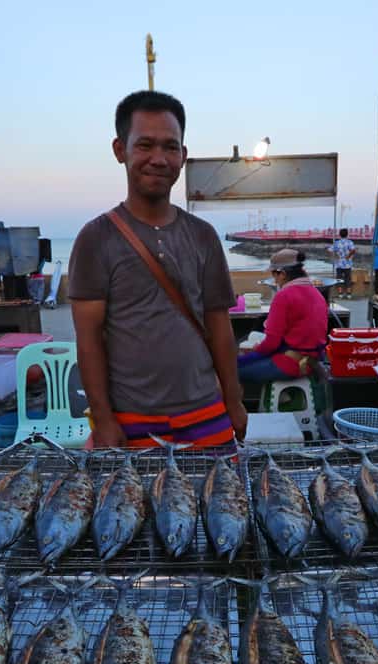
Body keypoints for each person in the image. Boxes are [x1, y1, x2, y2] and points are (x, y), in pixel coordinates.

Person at [70, 90, 246, 448]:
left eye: (170, 147)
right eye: (145, 145)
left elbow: (219, 327)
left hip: (205, 414)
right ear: (120, 150)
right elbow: (88, 340)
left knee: (220, 504)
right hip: (131, 421)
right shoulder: (95, 238)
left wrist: (235, 402)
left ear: (183, 156)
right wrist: (103, 421)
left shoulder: (203, 236)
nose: (158, 158)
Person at [237, 249, 328, 385]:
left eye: (275, 276)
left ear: (283, 274)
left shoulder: (284, 296)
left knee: (230, 371)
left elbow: (272, 343)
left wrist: (250, 354)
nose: (276, 282)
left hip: (291, 364)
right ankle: (285, 399)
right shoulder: (317, 294)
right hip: (313, 362)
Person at [329, 227, 355, 298]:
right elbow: (353, 250)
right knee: (348, 279)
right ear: (347, 234)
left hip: (339, 263)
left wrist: (336, 255)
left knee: (339, 278)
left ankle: (340, 293)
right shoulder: (350, 242)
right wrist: (348, 256)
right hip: (348, 264)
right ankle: (349, 294)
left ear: (340, 235)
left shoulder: (337, 243)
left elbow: (330, 250)